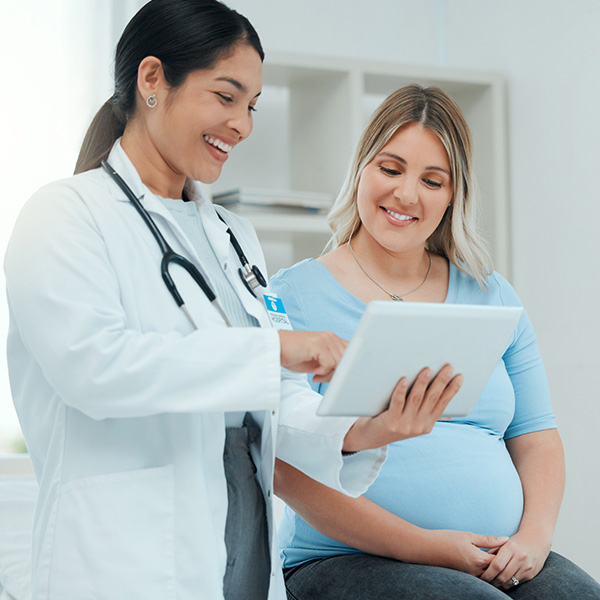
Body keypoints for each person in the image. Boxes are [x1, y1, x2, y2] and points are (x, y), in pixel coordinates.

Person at [4, 3, 466, 599]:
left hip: (242, 558)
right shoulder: (65, 214)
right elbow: (93, 369)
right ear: (152, 80)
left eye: (250, 106)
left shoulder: (232, 237)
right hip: (124, 564)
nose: (244, 124)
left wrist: (359, 431)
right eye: (226, 97)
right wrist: (270, 349)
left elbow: (275, 398)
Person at [270, 84, 600, 599]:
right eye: (391, 168)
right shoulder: (291, 296)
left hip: (495, 552)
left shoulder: (491, 294)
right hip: (345, 559)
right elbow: (283, 467)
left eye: (432, 180)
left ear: (453, 195)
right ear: (362, 167)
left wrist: (534, 539)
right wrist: (427, 546)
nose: (406, 195)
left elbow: (535, 435)